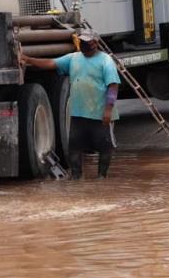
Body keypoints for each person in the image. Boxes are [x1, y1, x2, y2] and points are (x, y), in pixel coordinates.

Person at [21, 29, 120, 179]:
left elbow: (113, 86)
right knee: (74, 148)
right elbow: (50, 63)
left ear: (95, 43)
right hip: (78, 113)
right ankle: (76, 178)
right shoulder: (73, 58)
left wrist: (108, 110)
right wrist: (28, 59)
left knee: (105, 147)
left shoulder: (105, 60)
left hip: (100, 114)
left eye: (87, 42)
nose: (84, 45)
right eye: (82, 42)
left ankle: (102, 177)